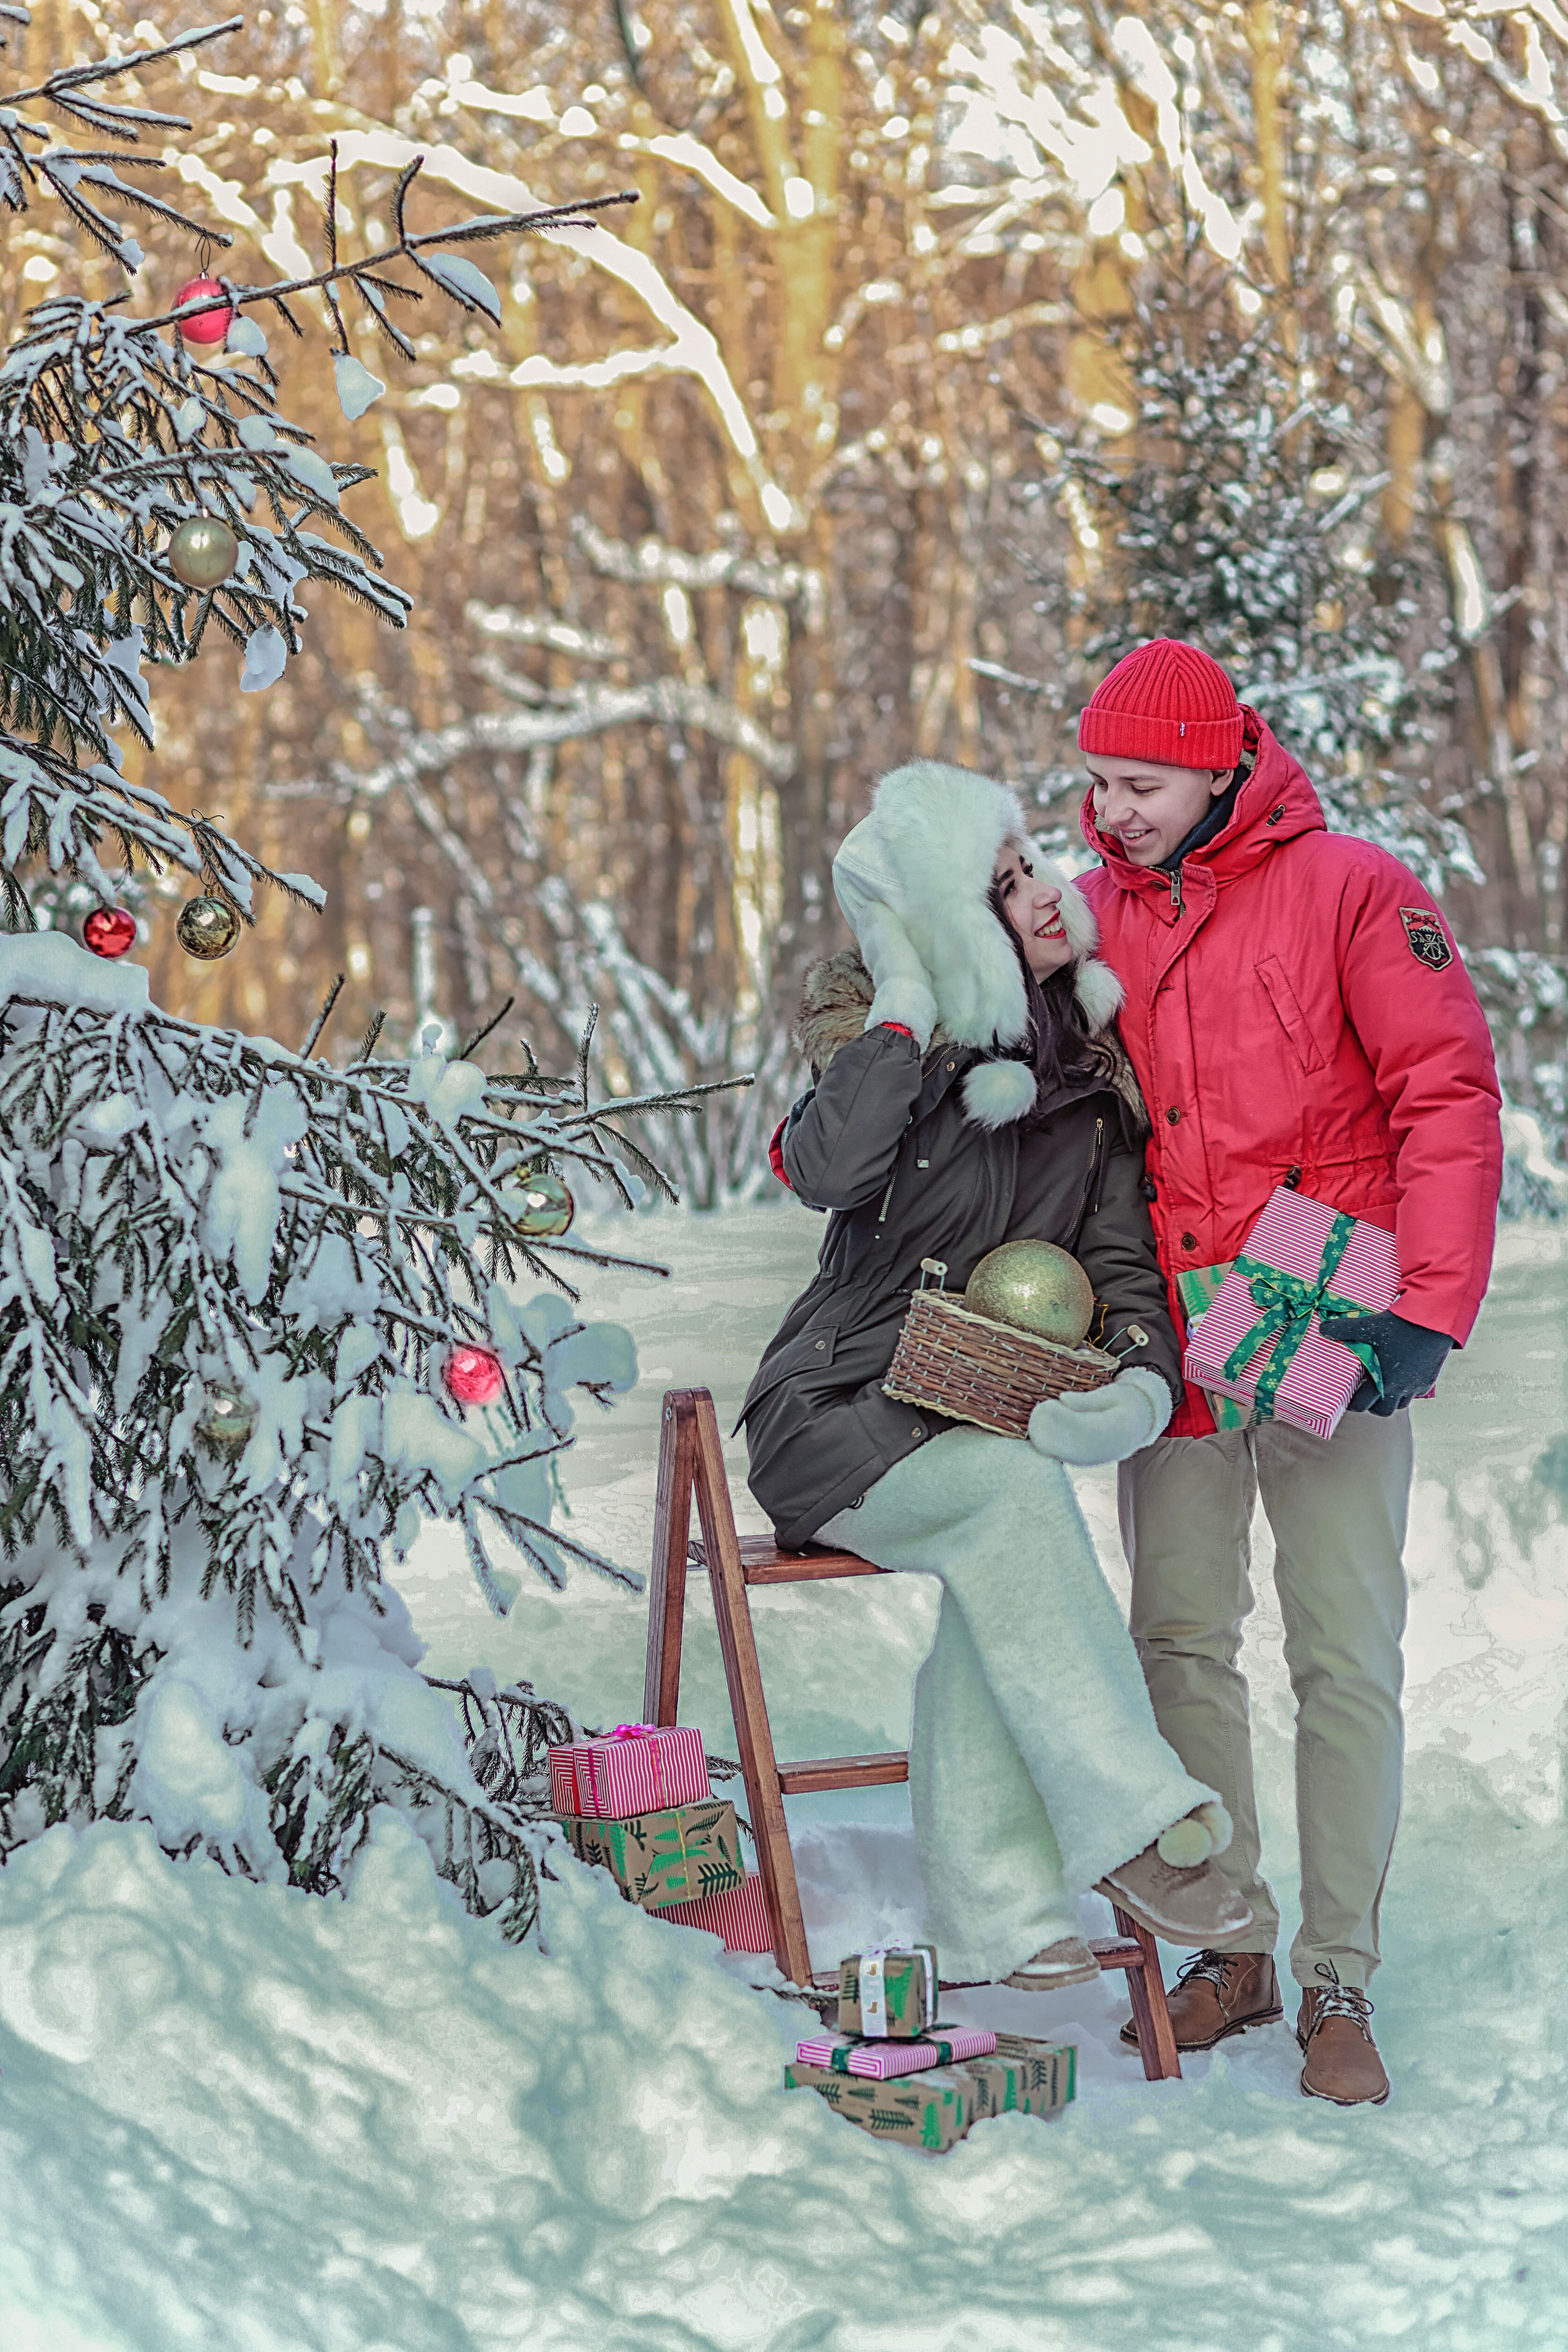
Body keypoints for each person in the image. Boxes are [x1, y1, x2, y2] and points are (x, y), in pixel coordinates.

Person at [1073, 638, 1504, 2106]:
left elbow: (1443, 1092)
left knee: (1341, 1653)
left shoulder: (1353, 892)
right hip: (1172, 1344)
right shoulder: (1085, 922)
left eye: (1139, 784)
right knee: (1176, 1639)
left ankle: (1337, 1975)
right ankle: (1224, 1942)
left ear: (1215, 769)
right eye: (1096, 783)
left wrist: (1428, 1307)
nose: (1111, 811)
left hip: (1334, 1331)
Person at [743, 756, 1253, 1991]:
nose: (1042, 892)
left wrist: (1138, 1382)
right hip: (833, 1417)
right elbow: (825, 1171)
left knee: (1003, 1548)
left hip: (966, 1428)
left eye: (1033, 866)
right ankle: (1134, 1825)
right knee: (1016, 1501)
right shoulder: (900, 1054)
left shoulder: (1084, 1085)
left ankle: (997, 1924)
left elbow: (1120, 1267)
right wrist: (907, 1002)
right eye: (1003, 886)